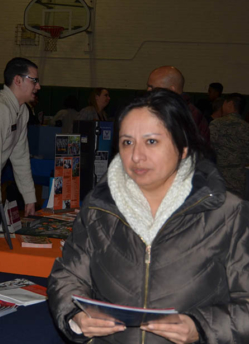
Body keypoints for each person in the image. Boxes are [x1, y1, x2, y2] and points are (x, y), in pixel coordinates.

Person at [48, 88, 249, 343]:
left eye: (151, 141)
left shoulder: (228, 213)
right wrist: (75, 315)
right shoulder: (99, 209)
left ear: (183, 147)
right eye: (127, 142)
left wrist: (201, 327)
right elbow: (68, 275)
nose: (136, 156)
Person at [0, 57, 41, 218]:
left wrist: (29, 198)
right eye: (34, 81)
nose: (38, 86)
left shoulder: (22, 111)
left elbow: (20, 157)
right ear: (18, 80)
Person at [147, 66, 210, 144]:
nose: (148, 91)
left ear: (171, 90)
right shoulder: (153, 109)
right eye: (148, 87)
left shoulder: (189, 116)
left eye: (152, 88)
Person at [210, 93, 249, 198]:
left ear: (230, 104)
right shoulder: (246, 127)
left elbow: (208, 149)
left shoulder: (216, 124)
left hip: (218, 178)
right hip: (239, 180)